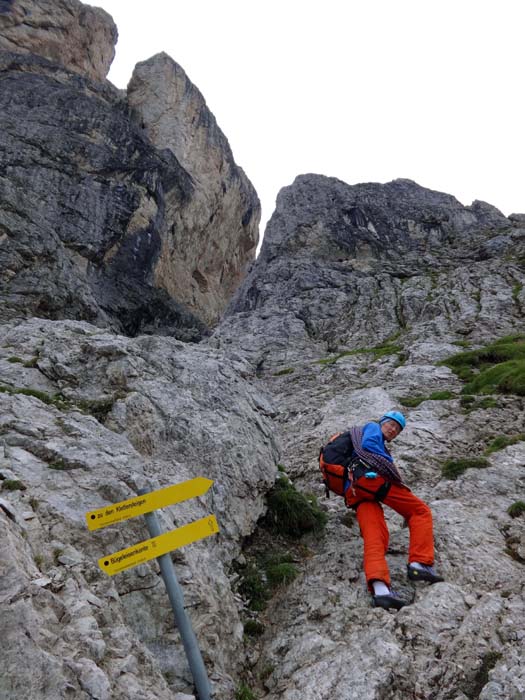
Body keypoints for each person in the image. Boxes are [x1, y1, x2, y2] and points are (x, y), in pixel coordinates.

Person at [342, 411, 443, 610]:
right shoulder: (371, 427)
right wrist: (389, 467)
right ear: (382, 422)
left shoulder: (370, 437)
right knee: (419, 511)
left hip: (354, 491)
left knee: (376, 536)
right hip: (370, 480)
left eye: (397, 429)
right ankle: (419, 564)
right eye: (391, 425)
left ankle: (381, 591)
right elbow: (369, 446)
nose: (393, 430)